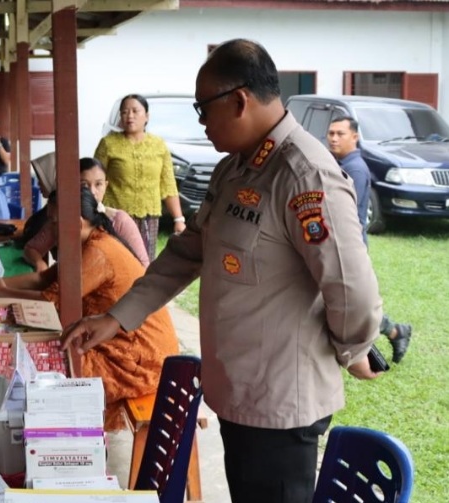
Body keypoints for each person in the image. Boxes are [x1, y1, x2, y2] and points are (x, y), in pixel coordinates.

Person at [63, 39, 383, 503]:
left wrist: (354, 349)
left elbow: (352, 289)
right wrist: (115, 318)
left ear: (239, 101)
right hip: (239, 392)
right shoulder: (235, 168)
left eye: (203, 109)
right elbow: (188, 250)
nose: (201, 123)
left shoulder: (303, 175)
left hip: (278, 404)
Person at [0, 186, 179, 487]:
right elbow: (46, 278)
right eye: (51, 221)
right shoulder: (88, 243)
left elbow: (51, 300)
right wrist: (0, 285)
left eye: (57, 222)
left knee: (56, 376)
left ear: (79, 221)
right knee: (52, 354)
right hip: (118, 341)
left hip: (138, 357)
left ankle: (61, 458)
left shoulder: (98, 251)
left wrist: (2, 294)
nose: (52, 229)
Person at [327, 115, 412, 362]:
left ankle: (394, 333)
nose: (333, 138)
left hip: (348, 247)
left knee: (353, 306)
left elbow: (349, 215)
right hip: (339, 245)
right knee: (346, 303)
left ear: (355, 136)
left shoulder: (354, 169)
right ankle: (395, 332)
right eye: (330, 133)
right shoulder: (341, 163)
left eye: (340, 134)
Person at [95, 94, 187, 260]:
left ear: (147, 116)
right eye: (124, 112)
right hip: (114, 216)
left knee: (144, 261)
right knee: (116, 260)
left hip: (147, 218)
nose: (129, 116)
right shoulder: (108, 144)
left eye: (135, 111)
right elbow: (95, 180)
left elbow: (168, 185)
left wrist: (179, 219)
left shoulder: (158, 145)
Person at [24, 157, 150, 271]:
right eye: (84, 184)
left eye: (98, 184)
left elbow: (143, 268)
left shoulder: (119, 220)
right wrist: (40, 263)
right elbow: (32, 248)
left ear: (106, 186)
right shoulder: (61, 220)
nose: (92, 191)